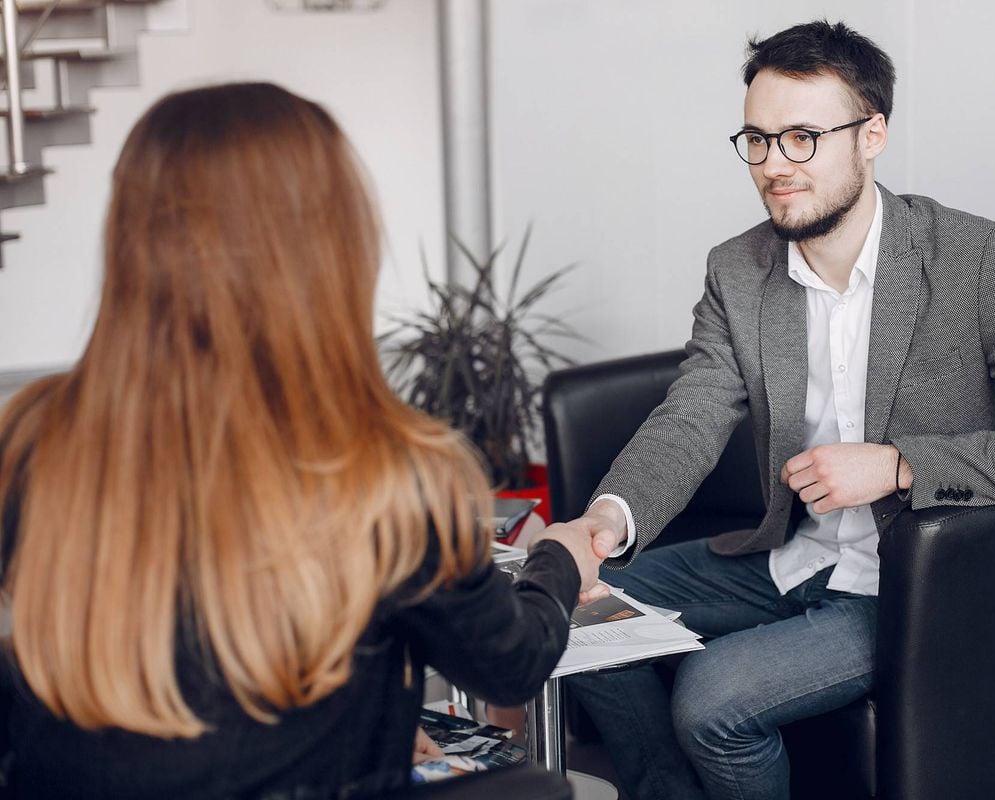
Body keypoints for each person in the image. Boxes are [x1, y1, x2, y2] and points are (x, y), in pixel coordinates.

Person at [563, 20, 995, 800]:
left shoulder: (979, 260)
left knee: (713, 701)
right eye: (757, 140)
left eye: (802, 138)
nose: (774, 166)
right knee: (577, 617)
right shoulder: (738, 269)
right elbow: (690, 415)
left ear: (873, 135)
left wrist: (900, 464)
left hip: (906, 581)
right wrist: (605, 524)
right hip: (785, 553)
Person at [0, 82, 607, 799]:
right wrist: (557, 561)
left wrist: (376, 711)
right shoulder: (388, 472)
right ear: (330, 249)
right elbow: (510, 667)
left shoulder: (32, 435)